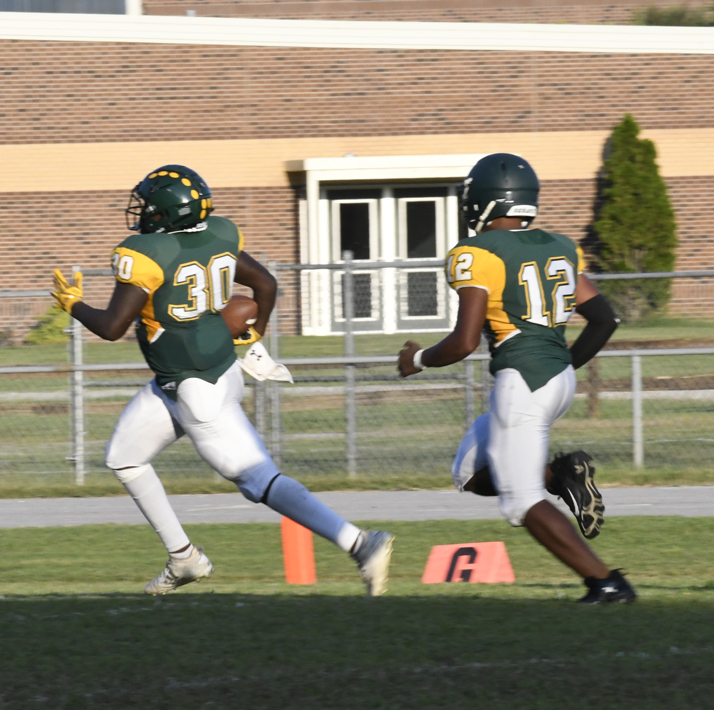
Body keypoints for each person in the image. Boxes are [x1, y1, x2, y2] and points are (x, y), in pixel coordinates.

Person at [52, 165, 394, 596]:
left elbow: (111, 326)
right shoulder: (219, 233)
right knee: (124, 456)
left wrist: (73, 304)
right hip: (193, 376)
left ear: (163, 213)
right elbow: (264, 285)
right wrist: (256, 332)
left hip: (199, 391)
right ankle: (184, 558)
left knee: (259, 480)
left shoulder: (147, 252)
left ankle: (360, 543)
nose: (141, 212)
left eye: (148, 204)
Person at [398, 153, 636, 604]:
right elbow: (604, 318)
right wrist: (563, 365)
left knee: (522, 501)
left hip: (522, 382)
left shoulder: (477, 253)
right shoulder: (560, 245)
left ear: (484, 201)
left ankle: (606, 582)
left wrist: (418, 360)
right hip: (554, 378)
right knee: (468, 472)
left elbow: (464, 341)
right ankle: (559, 474)